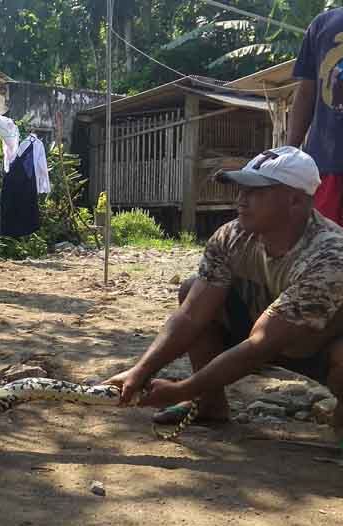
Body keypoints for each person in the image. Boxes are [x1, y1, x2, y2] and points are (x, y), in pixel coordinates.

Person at [103, 146, 343, 440]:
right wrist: (139, 372)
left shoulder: (330, 255)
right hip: (269, 333)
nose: (240, 201)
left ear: (295, 200)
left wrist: (182, 389)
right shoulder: (233, 235)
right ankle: (209, 405)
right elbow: (191, 315)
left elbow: (261, 344)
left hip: (318, 345)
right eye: (240, 190)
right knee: (193, 289)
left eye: (255, 192)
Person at [287, 7, 343, 225]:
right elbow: (306, 93)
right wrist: (289, 151)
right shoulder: (322, 24)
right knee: (325, 247)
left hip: (326, 165)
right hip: (326, 165)